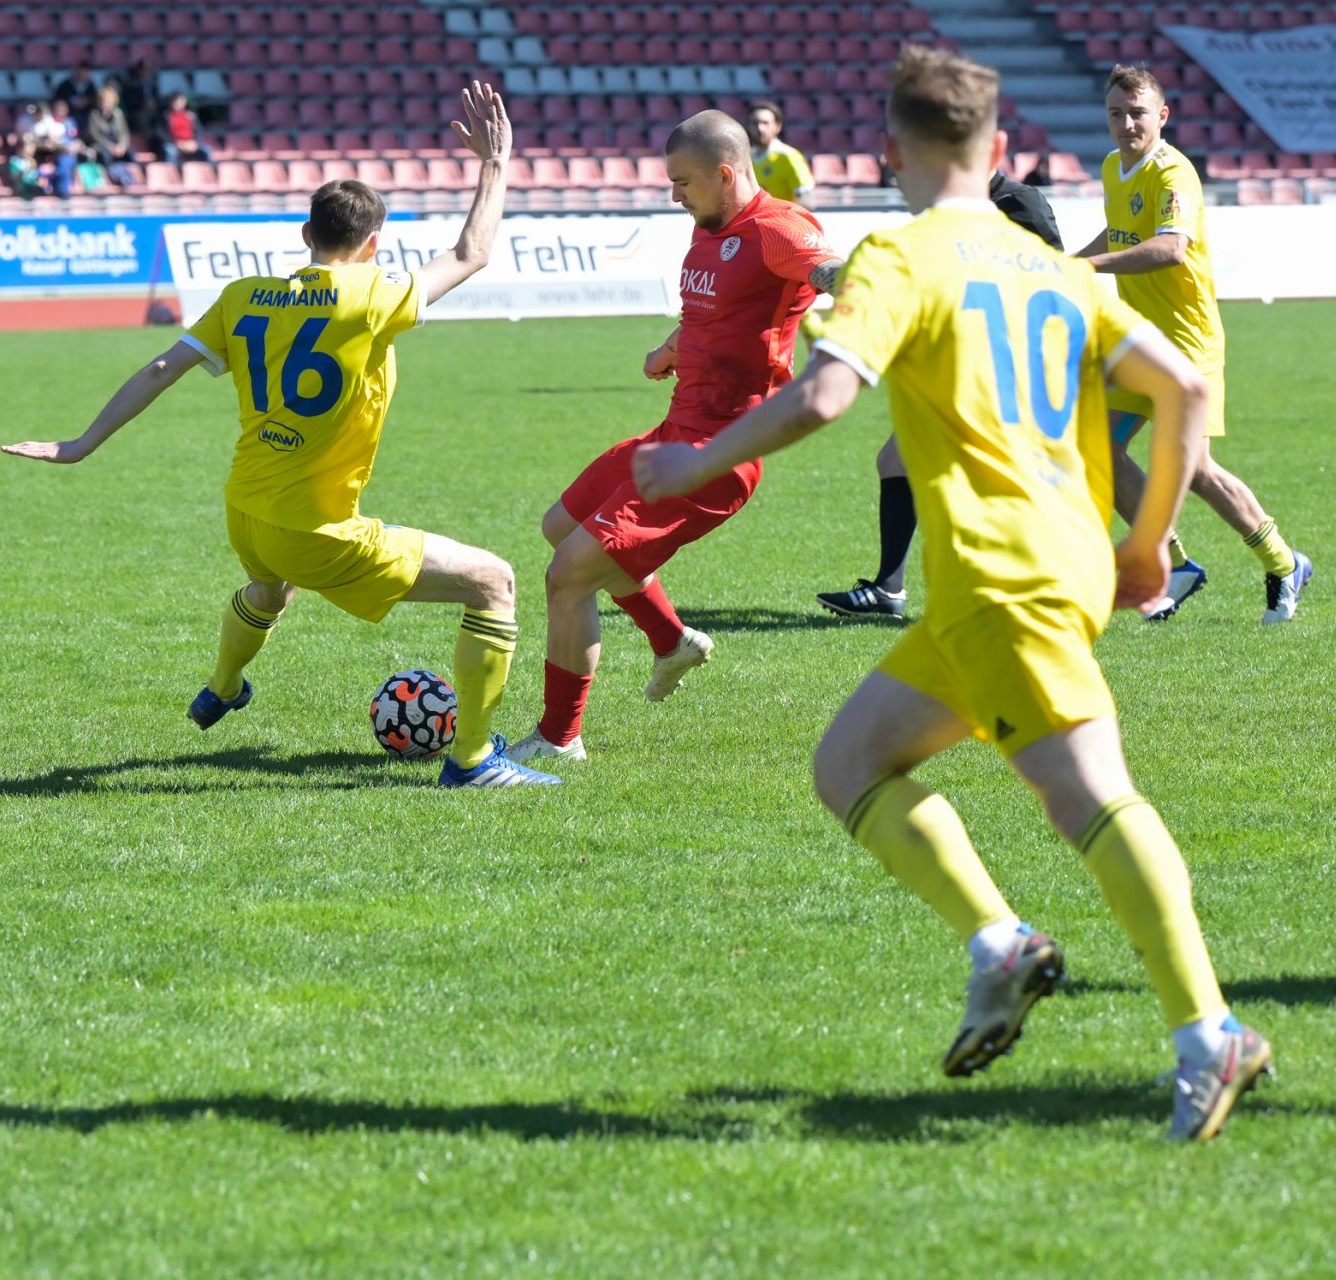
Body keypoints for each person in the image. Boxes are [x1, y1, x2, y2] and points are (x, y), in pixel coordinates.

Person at [633, 46, 1273, 1143]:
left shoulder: (902, 253)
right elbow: (1183, 385)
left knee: (1090, 798)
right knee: (849, 763)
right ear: (999, 148)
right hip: (1039, 565)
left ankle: (1208, 1033)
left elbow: (824, 397)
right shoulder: (1053, 266)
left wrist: (695, 460)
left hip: (1001, 570)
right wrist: (1147, 545)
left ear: (892, 152)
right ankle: (1000, 945)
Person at [2, 84, 560, 790]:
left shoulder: (242, 297)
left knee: (269, 590)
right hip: (314, 528)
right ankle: (473, 761)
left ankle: (223, 686)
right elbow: (472, 252)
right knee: (493, 582)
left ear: (305, 235)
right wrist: (494, 162)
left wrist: (81, 443)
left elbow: (162, 367)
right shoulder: (374, 293)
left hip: (245, 510)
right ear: (373, 246)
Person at [502, 111, 842, 765]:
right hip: (675, 431)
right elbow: (714, 313)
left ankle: (558, 739)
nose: (674, 194)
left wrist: (868, 285)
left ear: (725, 174)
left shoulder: (778, 228)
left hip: (716, 455)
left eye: (683, 182)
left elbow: (826, 268)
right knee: (559, 526)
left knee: (568, 575)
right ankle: (671, 641)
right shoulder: (709, 228)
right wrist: (670, 347)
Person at [1078, 65, 1311, 624]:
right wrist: (1066, 263)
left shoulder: (1173, 173)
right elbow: (1121, 232)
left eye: (1137, 113)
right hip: (1139, 340)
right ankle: (1173, 563)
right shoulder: (1113, 167)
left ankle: (1284, 564)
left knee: (1198, 470)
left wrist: (1086, 267)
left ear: (1162, 116)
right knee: (1097, 445)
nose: (1126, 124)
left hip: (1187, 342)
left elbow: (1170, 248)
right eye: (1116, 113)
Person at [816, 165, 1064, 618]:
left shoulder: (1020, 203)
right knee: (897, 461)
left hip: (1005, 369)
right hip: (957, 364)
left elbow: (1055, 286)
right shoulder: (948, 213)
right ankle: (890, 590)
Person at [744, 101, 816, 209]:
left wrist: (781, 215)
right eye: (755, 123)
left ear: (777, 127)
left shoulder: (788, 156)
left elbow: (807, 200)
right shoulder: (746, 158)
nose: (760, 128)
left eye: (765, 123)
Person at [83, 84, 138, 188]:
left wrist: (122, 145)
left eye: (108, 101)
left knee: (131, 154)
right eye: (103, 101)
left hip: (117, 145)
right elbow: (94, 135)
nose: (105, 104)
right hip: (100, 145)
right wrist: (110, 146)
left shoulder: (118, 114)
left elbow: (124, 132)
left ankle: (130, 178)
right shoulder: (94, 115)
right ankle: (111, 176)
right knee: (105, 155)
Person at [157, 91, 215, 168]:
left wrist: (195, 143)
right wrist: (176, 143)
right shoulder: (166, 116)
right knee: (170, 151)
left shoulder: (191, 116)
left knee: (207, 150)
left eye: (181, 101)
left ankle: (208, 171)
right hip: (175, 144)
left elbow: (199, 131)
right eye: (176, 101)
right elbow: (162, 133)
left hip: (190, 144)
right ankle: (171, 172)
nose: (178, 103)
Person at [120, 59, 163, 143]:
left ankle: (159, 137)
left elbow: (157, 98)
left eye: (148, 70)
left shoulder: (152, 84)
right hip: (138, 111)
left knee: (161, 117)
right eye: (144, 70)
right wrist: (143, 103)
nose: (146, 72)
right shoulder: (131, 85)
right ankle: (148, 139)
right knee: (141, 118)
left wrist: (154, 103)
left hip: (152, 111)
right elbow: (129, 101)